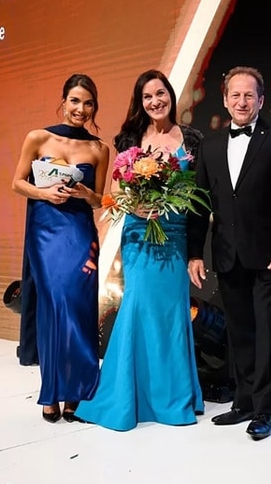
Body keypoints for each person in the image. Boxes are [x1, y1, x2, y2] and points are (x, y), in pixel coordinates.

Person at [75, 69, 205, 431]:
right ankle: (127, 395)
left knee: (172, 313)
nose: (155, 101)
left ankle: (172, 397)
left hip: (175, 235)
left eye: (160, 94)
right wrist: (136, 206)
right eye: (148, 96)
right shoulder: (129, 139)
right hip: (138, 235)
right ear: (140, 102)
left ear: (170, 96)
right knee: (138, 306)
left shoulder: (193, 139)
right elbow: (115, 193)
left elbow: (198, 192)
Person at [187, 66, 271, 441]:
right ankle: (244, 401)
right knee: (239, 331)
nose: (242, 102)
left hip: (270, 256)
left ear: (261, 100)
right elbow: (198, 204)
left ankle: (265, 409)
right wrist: (195, 253)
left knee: (268, 331)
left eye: (249, 95)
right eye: (235, 95)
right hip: (227, 254)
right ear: (225, 100)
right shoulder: (210, 146)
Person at [11, 73, 110, 423]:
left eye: (88, 103)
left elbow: (99, 200)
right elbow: (17, 182)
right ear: (64, 101)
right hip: (45, 234)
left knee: (79, 308)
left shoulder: (99, 149)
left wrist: (86, 193)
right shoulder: (38, 137)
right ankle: (51, 391)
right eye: (75, 101)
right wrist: (44, 193)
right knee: (54, 306)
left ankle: (78, 391)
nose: (81, 109)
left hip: (80, 234)